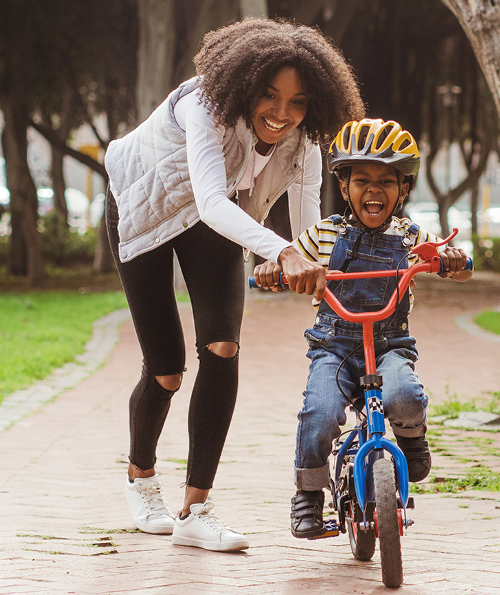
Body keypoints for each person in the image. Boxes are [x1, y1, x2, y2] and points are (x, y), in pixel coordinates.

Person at [103, 18, 364, 552]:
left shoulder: (304, 145)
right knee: (168, 369)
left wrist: (310, 264)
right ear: (244, 86)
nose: (282, 114)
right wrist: (280, 251)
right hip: (144, 207)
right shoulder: (203, 106)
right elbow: (212, 200)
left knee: (222, 347)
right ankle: (140, 477)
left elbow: (308, 225)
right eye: (269, 97)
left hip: (214, 220)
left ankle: (196, 511)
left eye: (298, 102)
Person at [252, 119, 472, 538]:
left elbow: (450, 265)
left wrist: (453, 262)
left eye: (387, 181)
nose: (374, 190)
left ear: (403, 189)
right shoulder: (326, 233)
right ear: (344, 183)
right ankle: (309, 494)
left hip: (389, 345)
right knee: (320, 413)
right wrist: (273, 268)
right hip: (335, 346)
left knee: (405, 396)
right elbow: (290, 261)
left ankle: (410, 438)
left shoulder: (410, 237)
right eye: (363, 180)